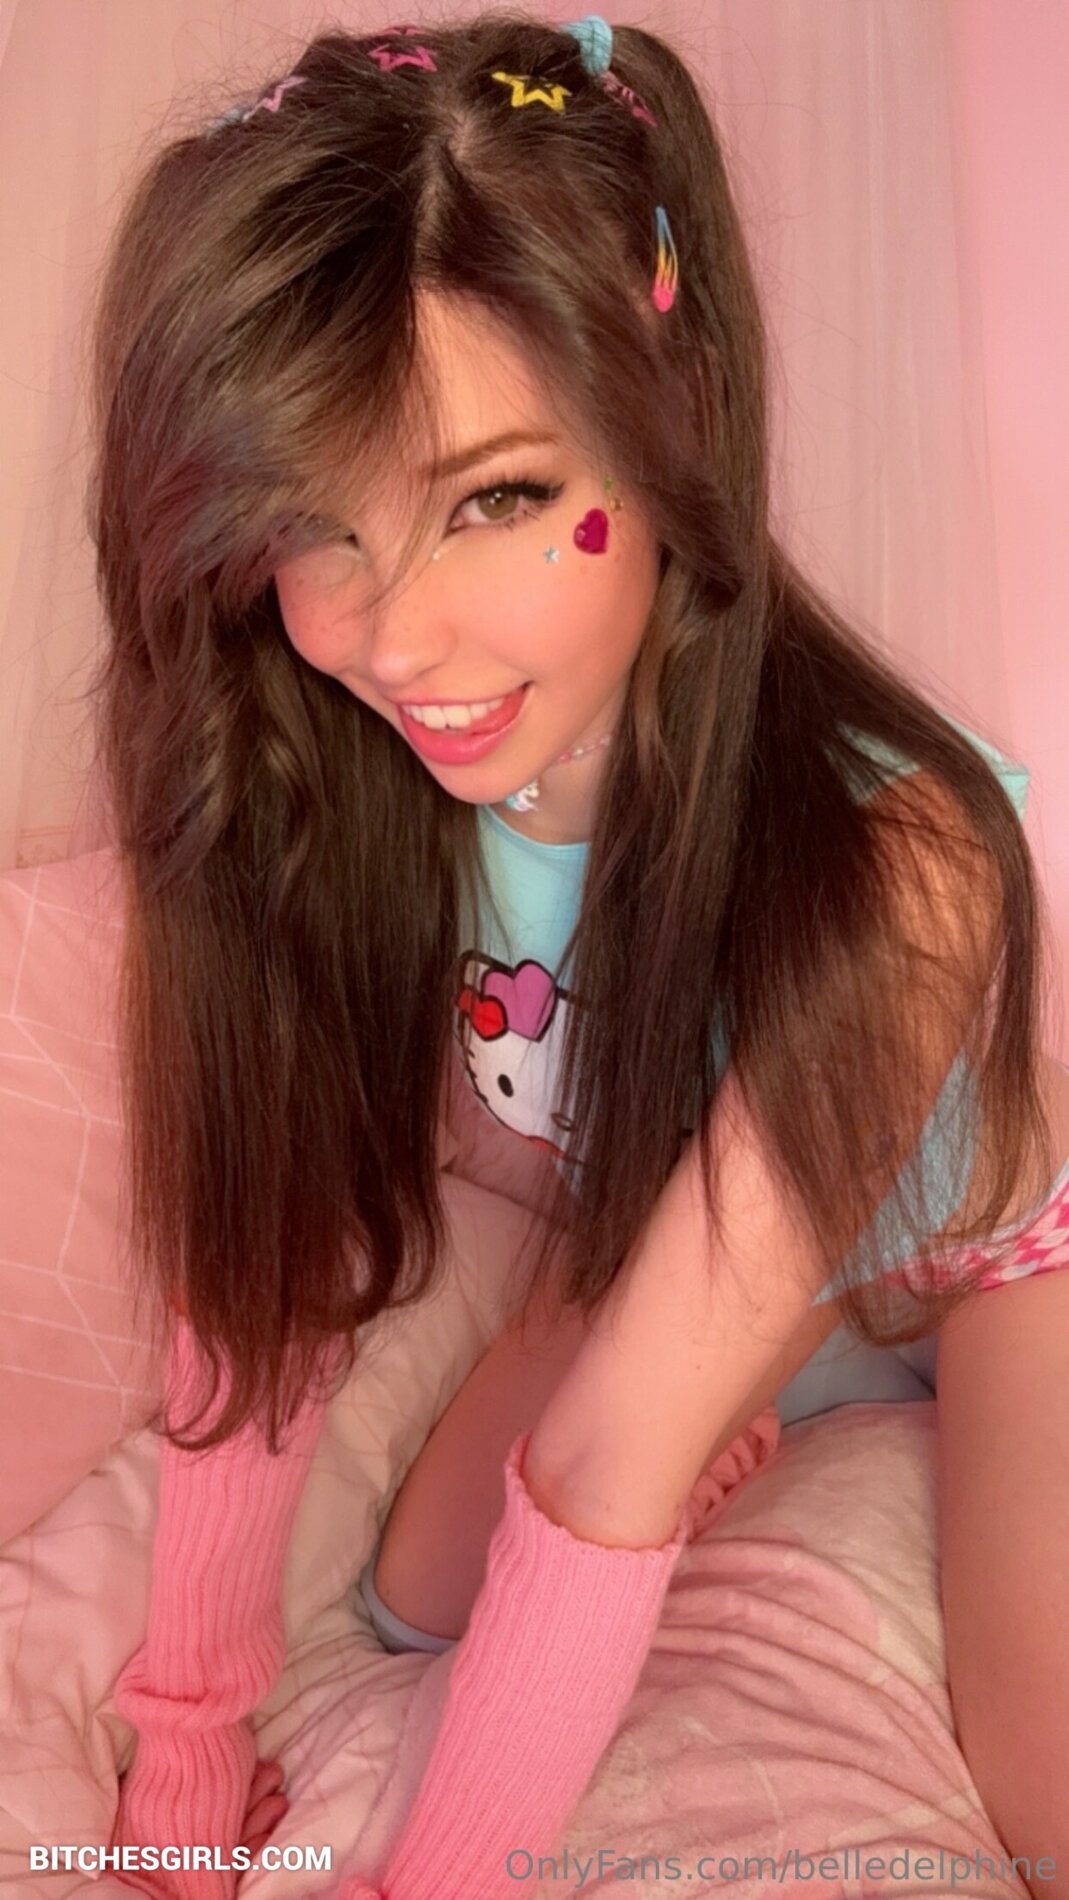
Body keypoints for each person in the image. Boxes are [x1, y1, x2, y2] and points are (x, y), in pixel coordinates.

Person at [84, 12, 1069, 1899]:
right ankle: (733, 1378)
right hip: (667, 1214)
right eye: (314, 524)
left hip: (965, 1266)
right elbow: (259, 1273)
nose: (398, 639)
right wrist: (186, 1740)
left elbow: (612, 1458)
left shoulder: (908, 865)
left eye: (497, 500)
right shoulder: (323, 781)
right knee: (415, 1597)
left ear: (667, 409)